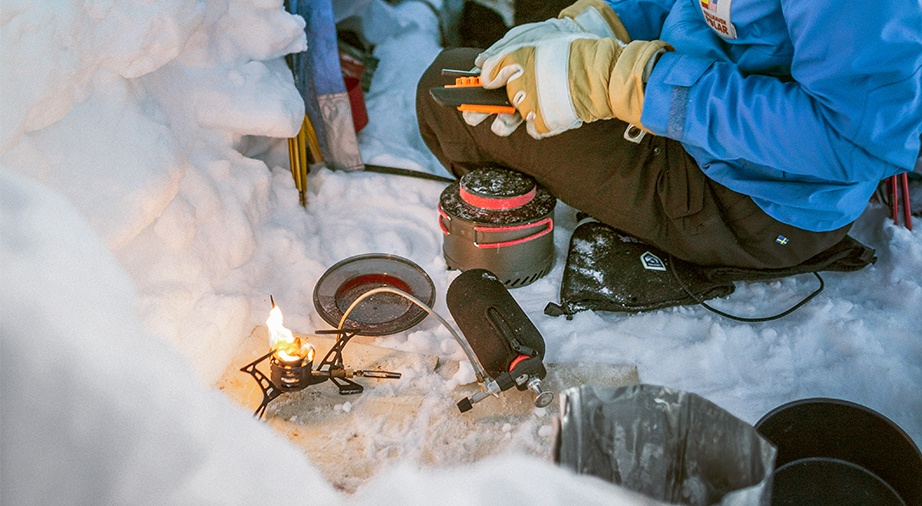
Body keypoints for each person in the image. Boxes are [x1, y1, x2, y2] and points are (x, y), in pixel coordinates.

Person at [416, 0, 922, 270]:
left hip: (753, 199)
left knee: (443, 103)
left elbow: (852, 141)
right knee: (471, 77)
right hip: (701, 123)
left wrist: (632, 84)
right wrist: (599, 22)